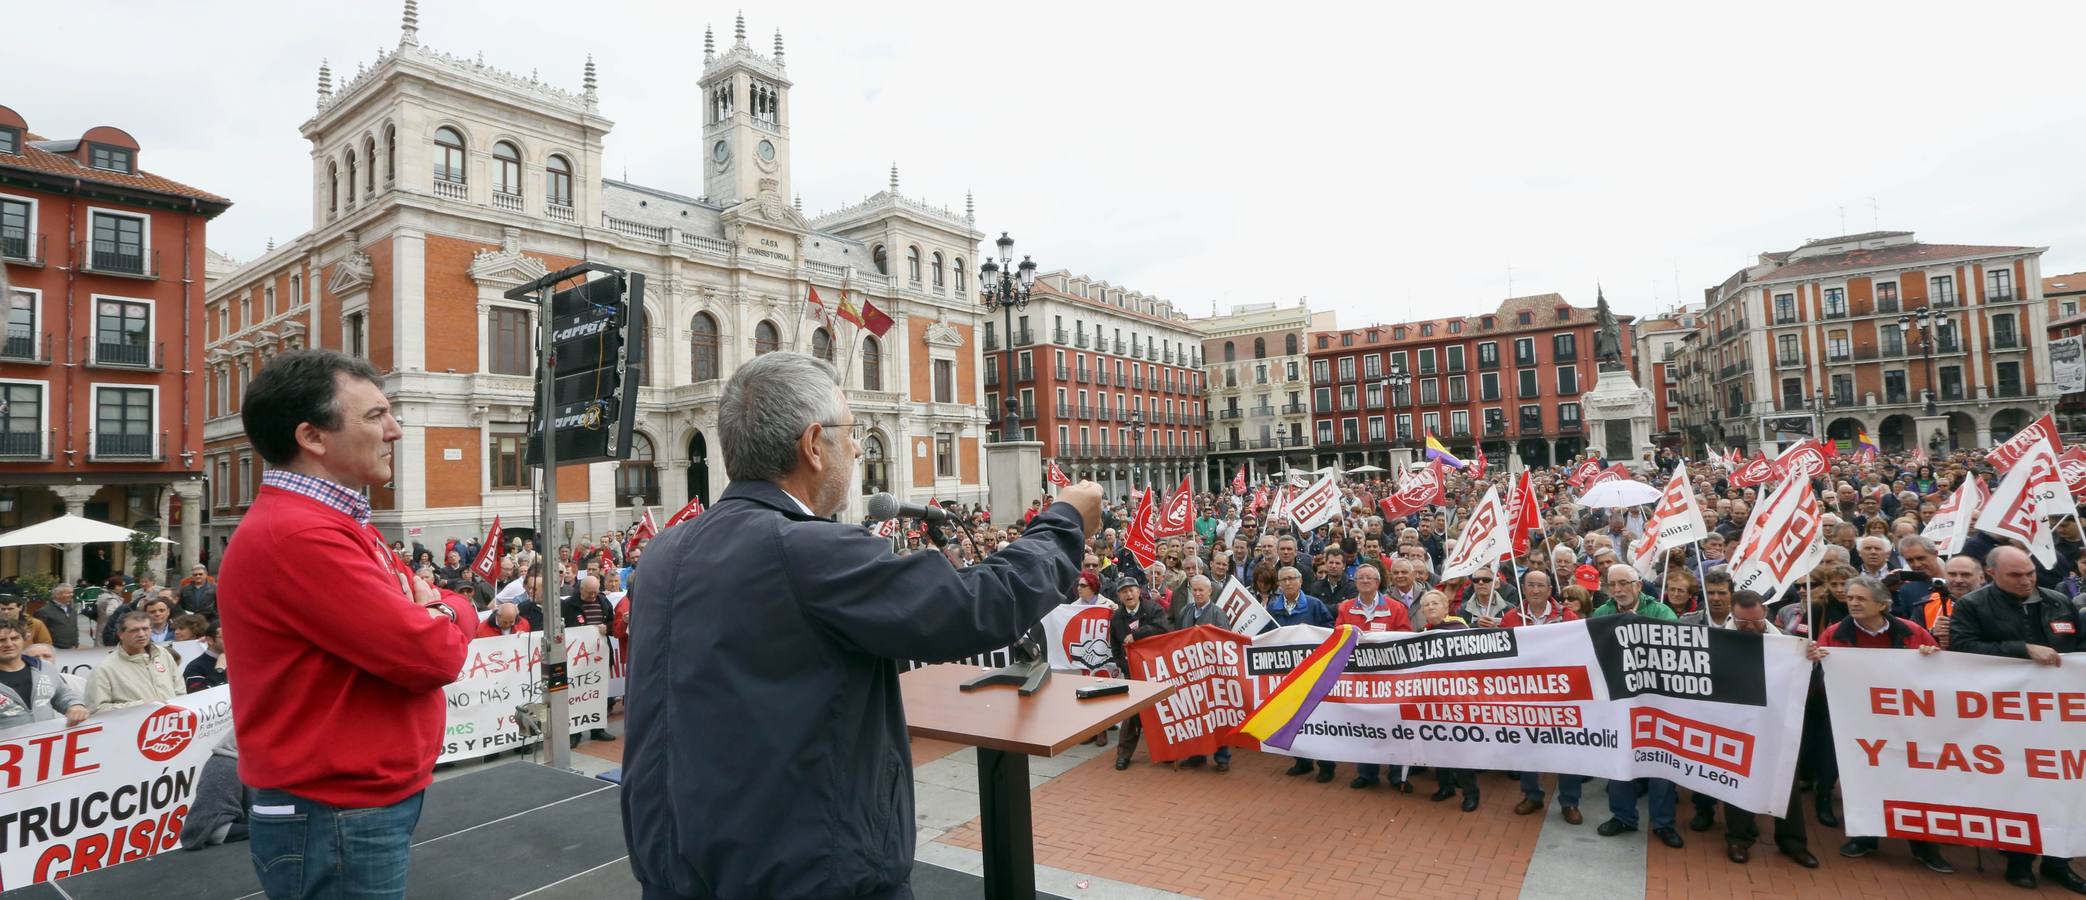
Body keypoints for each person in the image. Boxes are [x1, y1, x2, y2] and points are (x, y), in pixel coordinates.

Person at [619, 353, 1099, 900]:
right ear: (813, 444)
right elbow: (978, 606)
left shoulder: (664, 551)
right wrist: (1064, 522)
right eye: (852, 434)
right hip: (806, 876)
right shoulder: (805, 551)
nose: (856, 449)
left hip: (680, 870)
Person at [218, 349, 479, 900]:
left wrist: (438, 609)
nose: (395, 431)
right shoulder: (302, 535)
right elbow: (432, 654)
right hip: (334, 811)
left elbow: (435, 608)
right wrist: (444, 611)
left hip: (351, 806)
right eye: (376, 415)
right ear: (313, 436)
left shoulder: (338, 523)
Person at [1945, 547, 2086, 893]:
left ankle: (2058, 861)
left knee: (2062, 786)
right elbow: (1963, 648)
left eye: (2030, 573)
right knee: (2019, 786)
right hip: (2006, 715)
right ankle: (2020, 861)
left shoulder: (2057, 601)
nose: (2026, 581)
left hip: (2058, 714)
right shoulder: (1973, 605)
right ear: (1991, 574)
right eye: (2015, 575)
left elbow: (2077, 645)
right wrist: (2022, 649)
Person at [1806, 575, 1954, 874]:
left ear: (1882, 604)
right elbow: (1818, 679)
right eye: (1851, 598)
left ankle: (1923, 846)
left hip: (1905, 724)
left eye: (1861, 598)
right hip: (1855, 722)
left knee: (1913, 782)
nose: (1853, 603)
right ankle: (1865, 838)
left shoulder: (1912, 632)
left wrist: (1931, 655)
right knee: (1865, 779)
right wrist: (1814, 660)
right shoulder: (1835, 634)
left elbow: (1939, 674)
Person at [1706, 591, 1816, 867]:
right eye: (1743, 622)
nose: (1750, 627)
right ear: (1733, 616)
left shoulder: (1789, 644)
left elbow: (1807, 690)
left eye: (1754, 621)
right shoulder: (1715, 642)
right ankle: (1738, 838)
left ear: (1765, 613)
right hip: (1736, 724)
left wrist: (1812, 664)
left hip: (1778, 725)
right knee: (1737, 781)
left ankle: (1792, 842)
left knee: (1785, 783)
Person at [1506, 569, 1585, 823]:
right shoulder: (1511, 617)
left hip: (1562, 695)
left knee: (1567, 748)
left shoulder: (1567, 617)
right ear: (1524, 588)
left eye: (1541, 585)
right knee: (1528, 746)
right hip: (1526, 695)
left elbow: (1579, 651)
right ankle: (1532, 795)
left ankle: (1570, 801)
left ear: (1550, 590)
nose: (1535, 590)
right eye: (1530, 585)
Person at [1336, 562, 1413, 792]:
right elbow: (1337, 637)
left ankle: (1397, 775)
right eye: (1360, 578)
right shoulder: (1346, 608)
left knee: (1395, 726)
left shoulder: (1396, 607)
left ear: (1378, 582)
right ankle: (1367, 773)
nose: (1365, 581)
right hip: (1360, 679)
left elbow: (1406, 636)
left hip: (1389, 678)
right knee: (1364, 726)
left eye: (1369, 578)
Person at [1416, 591, 1481, 812]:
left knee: (1458, 747)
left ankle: (1470, 792)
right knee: (1437, 744)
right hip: (1431, 698)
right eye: (1426, 605)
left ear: (1446, 607)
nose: (1430, 607)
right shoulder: (1421, 634)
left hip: (1456, 699)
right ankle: (1445, 787)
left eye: (1435, 603)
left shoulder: (1459, 629)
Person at [1110, 577, 1172, 771]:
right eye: (1124, 592)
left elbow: (1163, 629)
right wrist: (1122, 664)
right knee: (1131, 713)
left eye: (1131, 590)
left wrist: (1137, 635)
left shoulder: (1153, 609)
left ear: (1138, 591)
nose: (1128, 594)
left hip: (1155, 670)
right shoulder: (1117, 618)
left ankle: (1166, 752)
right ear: (1119, 596)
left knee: (1160, 711)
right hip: (1132, 673)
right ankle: (1123, 755)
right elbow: (1115, 646)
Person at [84, 610, 184, 712]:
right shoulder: (105, 669)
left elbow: (180, 690)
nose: (141, 634)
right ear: (121, 634)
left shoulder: (162, 654)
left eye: (145, 629)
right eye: (134, 630)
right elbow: (96, 709)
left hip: (173, 719)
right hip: (136, 722)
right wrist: (141, 706)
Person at [0, 619, 89, 731]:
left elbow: (61, 694)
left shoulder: (45, 667)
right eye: (1, 640)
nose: (9, 644)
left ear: (24, 639)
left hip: (47, 739)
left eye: (14, 638)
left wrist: (75, 706)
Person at [1593, 565, 1674, 620]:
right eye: (1612, 584)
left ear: (1638, 586)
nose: (1617, 589)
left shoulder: (1661, 613)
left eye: (1623, 583)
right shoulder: (1601, 614)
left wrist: (1639, 623)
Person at [33, 582, 83, 649]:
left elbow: (75, 628)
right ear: (57, 595)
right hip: (54, 649)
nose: (72, 595)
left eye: (72, 592)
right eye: (68, 593)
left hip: (72, 648)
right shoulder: (44, 611)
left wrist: (76, 643)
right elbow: (38, 633)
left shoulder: (72, 610)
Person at [184, 622, 229, 693]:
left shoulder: (239, 661)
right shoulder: (195, 667)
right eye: (226, 637)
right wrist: (219, 670)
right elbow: (197, 695)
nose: (232, 640)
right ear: (210, 640)